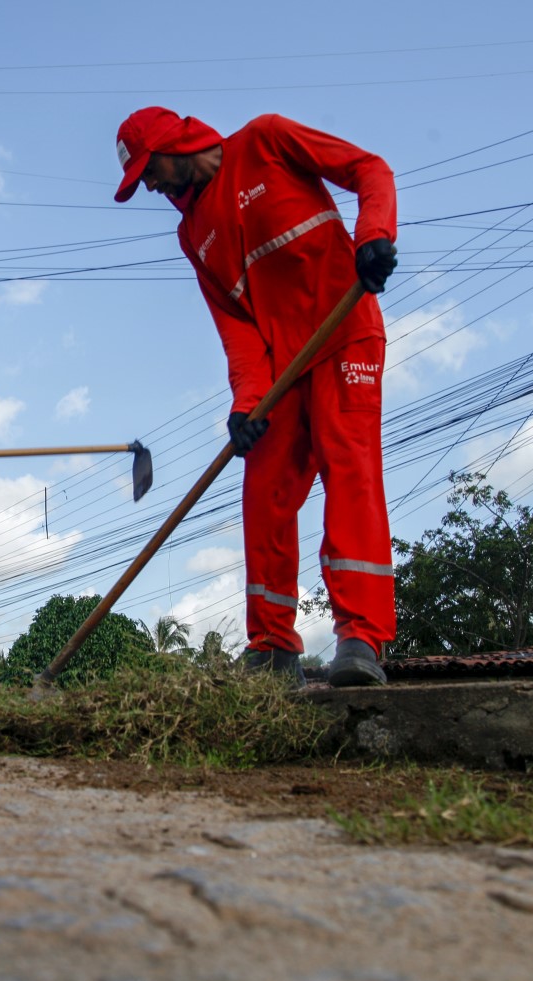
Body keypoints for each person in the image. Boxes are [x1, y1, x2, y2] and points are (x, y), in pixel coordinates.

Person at [113, 107, 399, 687]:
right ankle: (272, 649)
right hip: (281, 369)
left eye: (150, 169)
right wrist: (246, 403)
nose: (152, 185)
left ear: (176, 142)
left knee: (351, 473)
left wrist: (373, 235)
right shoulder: (191, 234)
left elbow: (371, 170)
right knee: (264, 493)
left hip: (345, 332)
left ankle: (362, 639)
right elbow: (237, 329)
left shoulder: (267, 140)